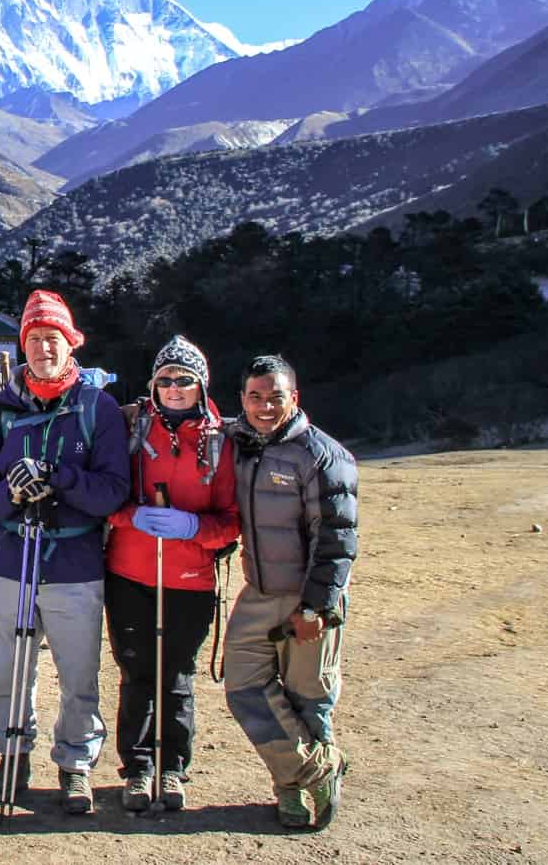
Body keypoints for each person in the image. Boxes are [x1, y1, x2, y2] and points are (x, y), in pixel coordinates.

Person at [0, 289, 129, 814]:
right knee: (9, 666)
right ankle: (11, 753)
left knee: (78, 669)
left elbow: (112, 489)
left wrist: (58, 479)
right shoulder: (1, 408)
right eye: (33, 339)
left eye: (52, 338)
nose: (42, 349)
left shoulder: (96, 408)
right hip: (12, 555)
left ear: (70, 342)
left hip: (74, 561)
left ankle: (75, 764)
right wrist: (11, 493)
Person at [104, 336, 240, 812]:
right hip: (130, 571)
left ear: (201, 385)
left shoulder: (223, 441)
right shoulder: (130, 427)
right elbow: (107, 493)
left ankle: (174, 766)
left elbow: (231, 521)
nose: (175, 388)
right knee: (136, 671)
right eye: (165, 380)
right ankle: (138, 767)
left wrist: (192, 527)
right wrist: (129, 516)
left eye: (185, 380)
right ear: (153, 384)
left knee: (177, 675)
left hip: (190, 578)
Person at [223, 354, 357, 829]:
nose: (264, 406)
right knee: (243, 686)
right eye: (255, 397)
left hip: (307, 597)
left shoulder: (322, 455)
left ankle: (293, 792)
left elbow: (338, 538)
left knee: (306, 698)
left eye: (275, 397)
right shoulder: (240, 444)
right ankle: (318, 768)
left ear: (293, 398)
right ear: (242, 399)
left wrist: (316, 607)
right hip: (259, 591)